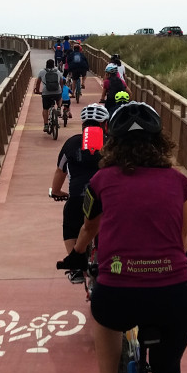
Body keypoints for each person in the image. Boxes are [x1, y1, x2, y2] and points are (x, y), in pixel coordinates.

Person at [61, 102, 187, 373]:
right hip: (175, 293)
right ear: (160, 142)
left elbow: (90, 225)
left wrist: (77, 253)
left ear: (113, 143)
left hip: (120, 291)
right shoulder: (177, 183)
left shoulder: (101, 181)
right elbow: (183, 237)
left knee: (103, 318)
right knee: (170, 371)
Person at [51, 104, 109, 283]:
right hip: (107, 199)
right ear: (105, 124)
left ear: (83, 124)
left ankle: (76, 267)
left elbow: (60, 171)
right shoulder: (112, 144)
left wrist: (56, 192)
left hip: (77, 197)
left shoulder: (71, 143)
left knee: (70, 224)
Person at [34, 59, 63, 132]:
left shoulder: (42, 71)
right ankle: (59, 108)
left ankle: (46, 125)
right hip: (57, 91)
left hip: (46, 92)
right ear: (53, 65)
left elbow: (38, 83)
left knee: (45, 109)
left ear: (46, 64)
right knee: (60, 97)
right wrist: (61, 90)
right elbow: (61, 81)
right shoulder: (57, 71)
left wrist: (37, 91)